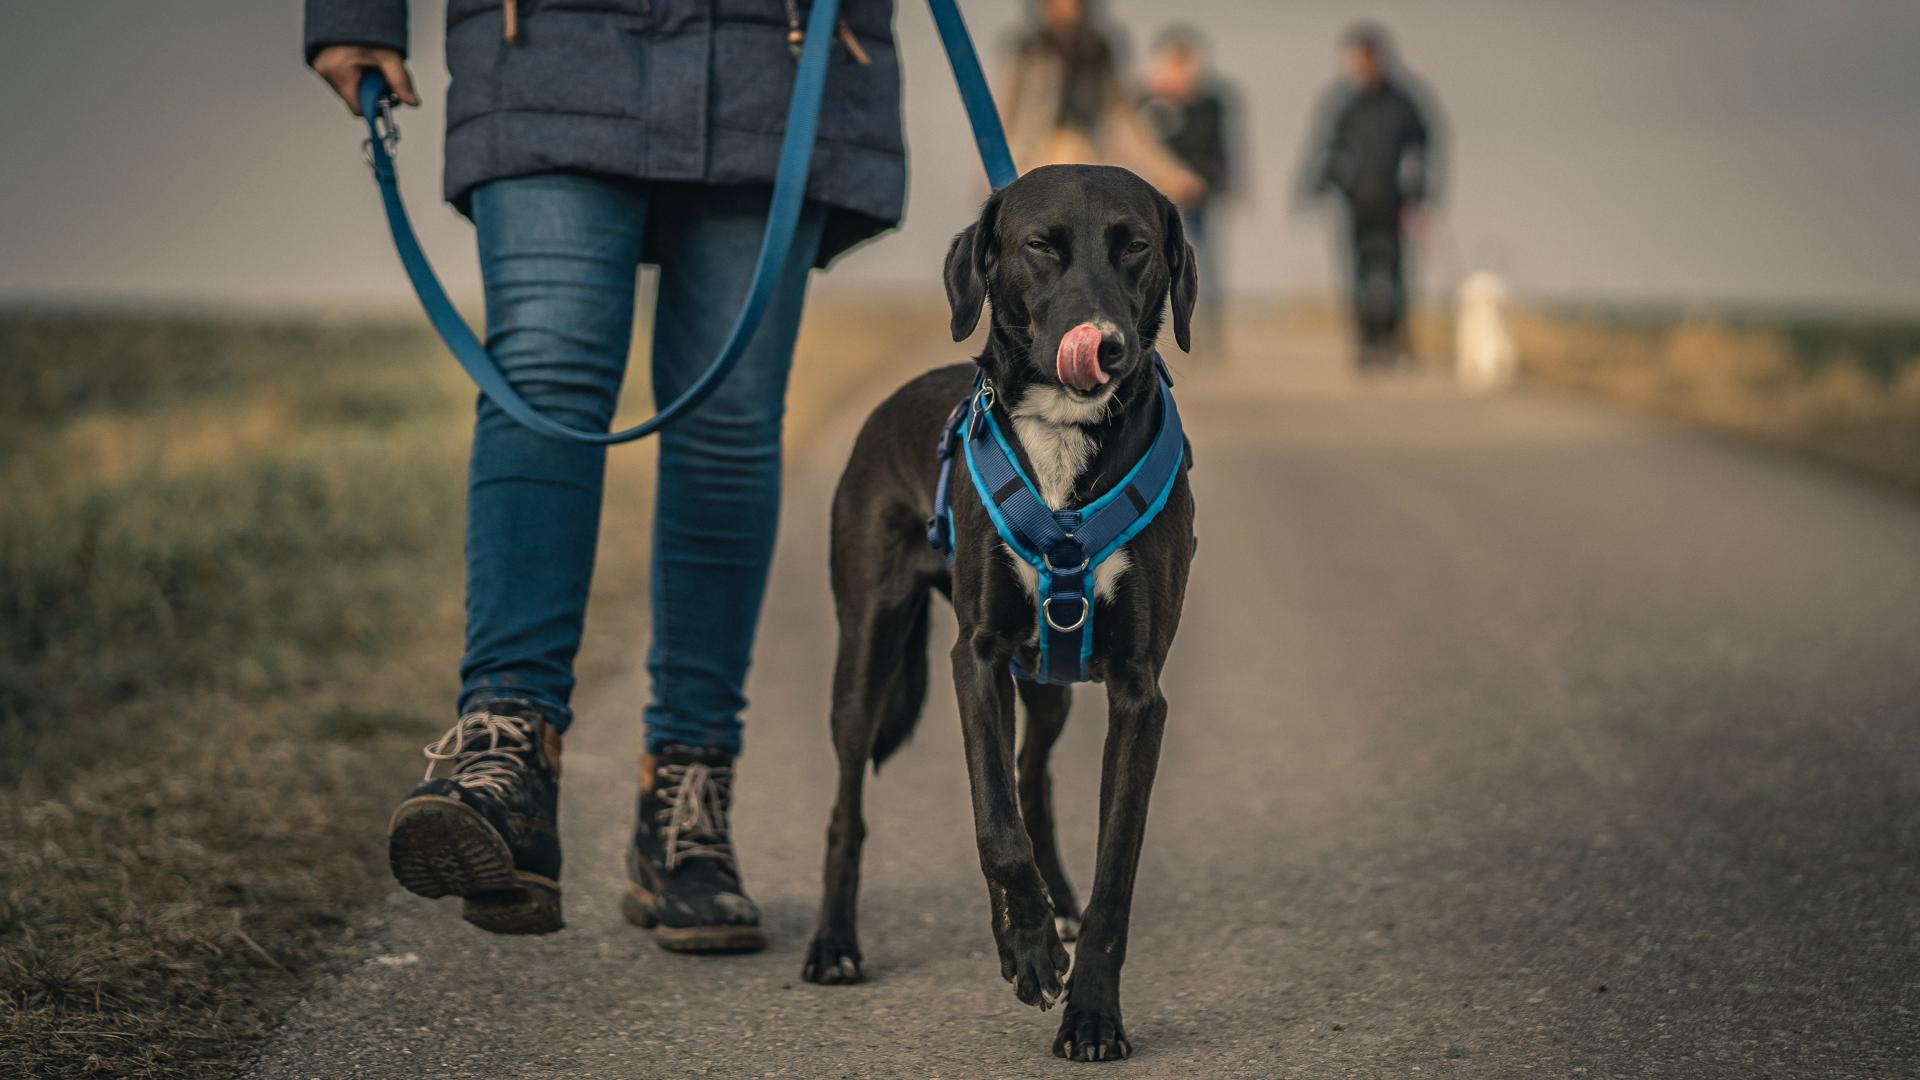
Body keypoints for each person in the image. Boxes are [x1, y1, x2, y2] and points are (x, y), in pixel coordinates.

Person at [304, 0, 904, 951]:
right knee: (541, 372)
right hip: (547, 37)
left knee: (730, 419)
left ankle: (687, 799)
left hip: (773, 47)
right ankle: (508, 757)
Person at [1297, 22, 1442, 368]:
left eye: (1359, 58)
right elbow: (1330, 147)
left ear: (1375, 58)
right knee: (1358, 273)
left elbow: (1421, 149)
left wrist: (1418, 197)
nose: (1353, 66)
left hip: (1395, 203)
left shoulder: (1403, 103)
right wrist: (1318, 184)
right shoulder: (1344, 102)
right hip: (1356, 202)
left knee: (1395, 273)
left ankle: (1394, 339)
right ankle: (1365, 341)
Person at [998, 0, 1204, 208]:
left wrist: (1170, 174)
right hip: (1033, 159)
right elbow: (1006, 114)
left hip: (1086, 156)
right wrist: (1001, 177)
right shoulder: (1028, 51)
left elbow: (1126, 117)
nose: (1064, 7)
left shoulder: (1096, 49)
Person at [1139, 25, 1238, 342]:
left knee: (1202, 259)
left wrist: (1220, 182)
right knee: (1149, 258)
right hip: (1154, 194)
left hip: (1198, 195)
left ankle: (1206, 330)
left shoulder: (1209, 103)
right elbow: (1136, 146)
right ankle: (1152, 326)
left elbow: (1221, 148)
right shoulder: (1145, 101)